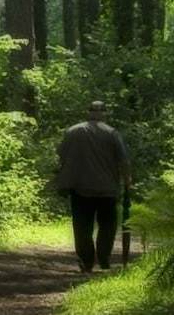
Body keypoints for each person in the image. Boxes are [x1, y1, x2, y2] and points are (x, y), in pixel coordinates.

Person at [56, 101, 131, 273]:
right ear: (105, 113)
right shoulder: (112, 133)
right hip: (107, 189)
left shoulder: (72, 132)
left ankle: (86, 261)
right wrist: (128, 181)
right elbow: (124, 160)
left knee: (82, 226)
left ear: (88, 112)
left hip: (80, 187)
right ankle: (103, 258)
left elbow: (61, 155)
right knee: (107, 226)